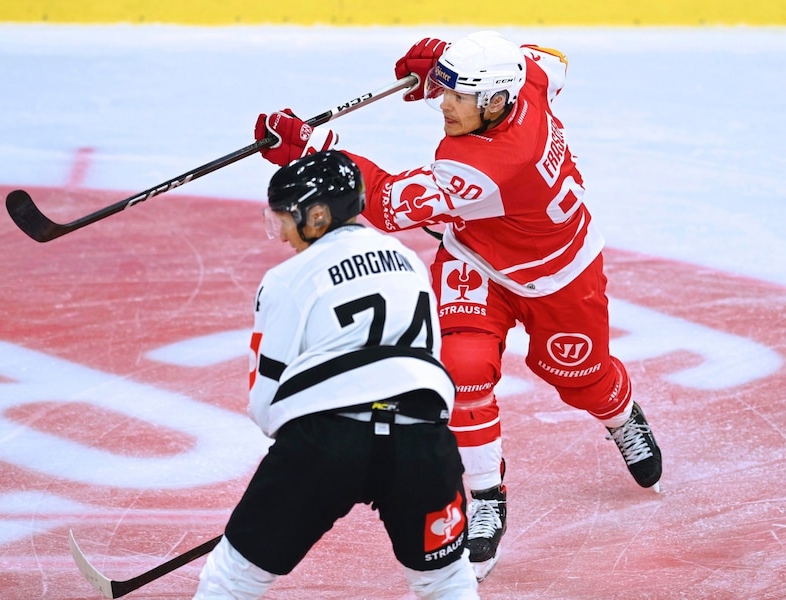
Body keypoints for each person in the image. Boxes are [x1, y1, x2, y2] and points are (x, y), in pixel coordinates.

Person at [253, 30, 663, 582]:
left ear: (496, 102)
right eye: (446, 91)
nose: (443, 104)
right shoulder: (527, 76)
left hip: (559, 274)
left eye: (457, 96)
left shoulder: (486, 166)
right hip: (477, 258)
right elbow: (550, 60)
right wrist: (450, 61)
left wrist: (316, 151)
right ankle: (486, 495)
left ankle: (620, 415)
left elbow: (393, 204)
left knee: (584, 381)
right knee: (462, 371)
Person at [193, 150, 479, 599]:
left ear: (318, 215)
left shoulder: (289, 277)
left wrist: (293, 486)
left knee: (235, 576)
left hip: (325, 441)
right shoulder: (409, 261)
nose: (282, 233)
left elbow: (265, 403)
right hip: (422, 440)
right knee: (444, 579)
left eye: (286, 218)